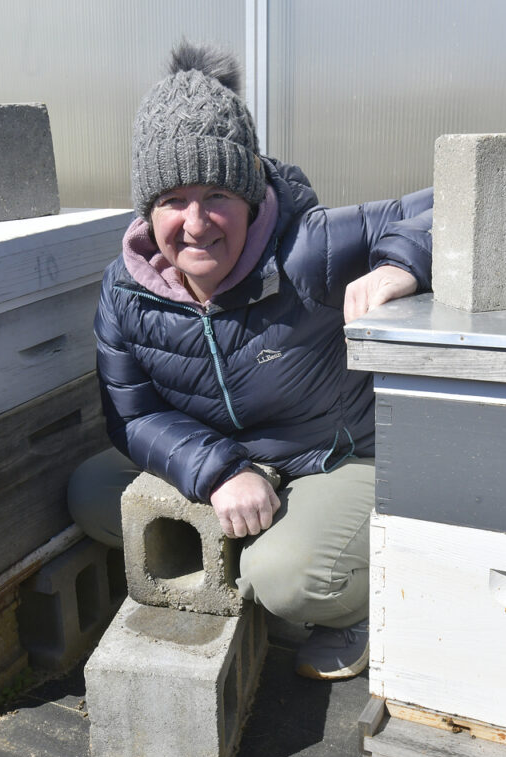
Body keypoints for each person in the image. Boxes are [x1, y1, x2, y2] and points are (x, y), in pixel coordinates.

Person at [68, 41, 432, 680]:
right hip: (232, 451)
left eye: (218, 195)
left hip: (334, 453)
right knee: (91, 494)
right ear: (147, 210)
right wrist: (217, 469)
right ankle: (258, 538)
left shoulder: (308, 247)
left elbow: (453, 199)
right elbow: (131, 414)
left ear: (252, 193)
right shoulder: (125, 289)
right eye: (173, 199)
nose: (197, 222)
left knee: (292, 580)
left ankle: (352, 608)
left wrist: (402, 264)